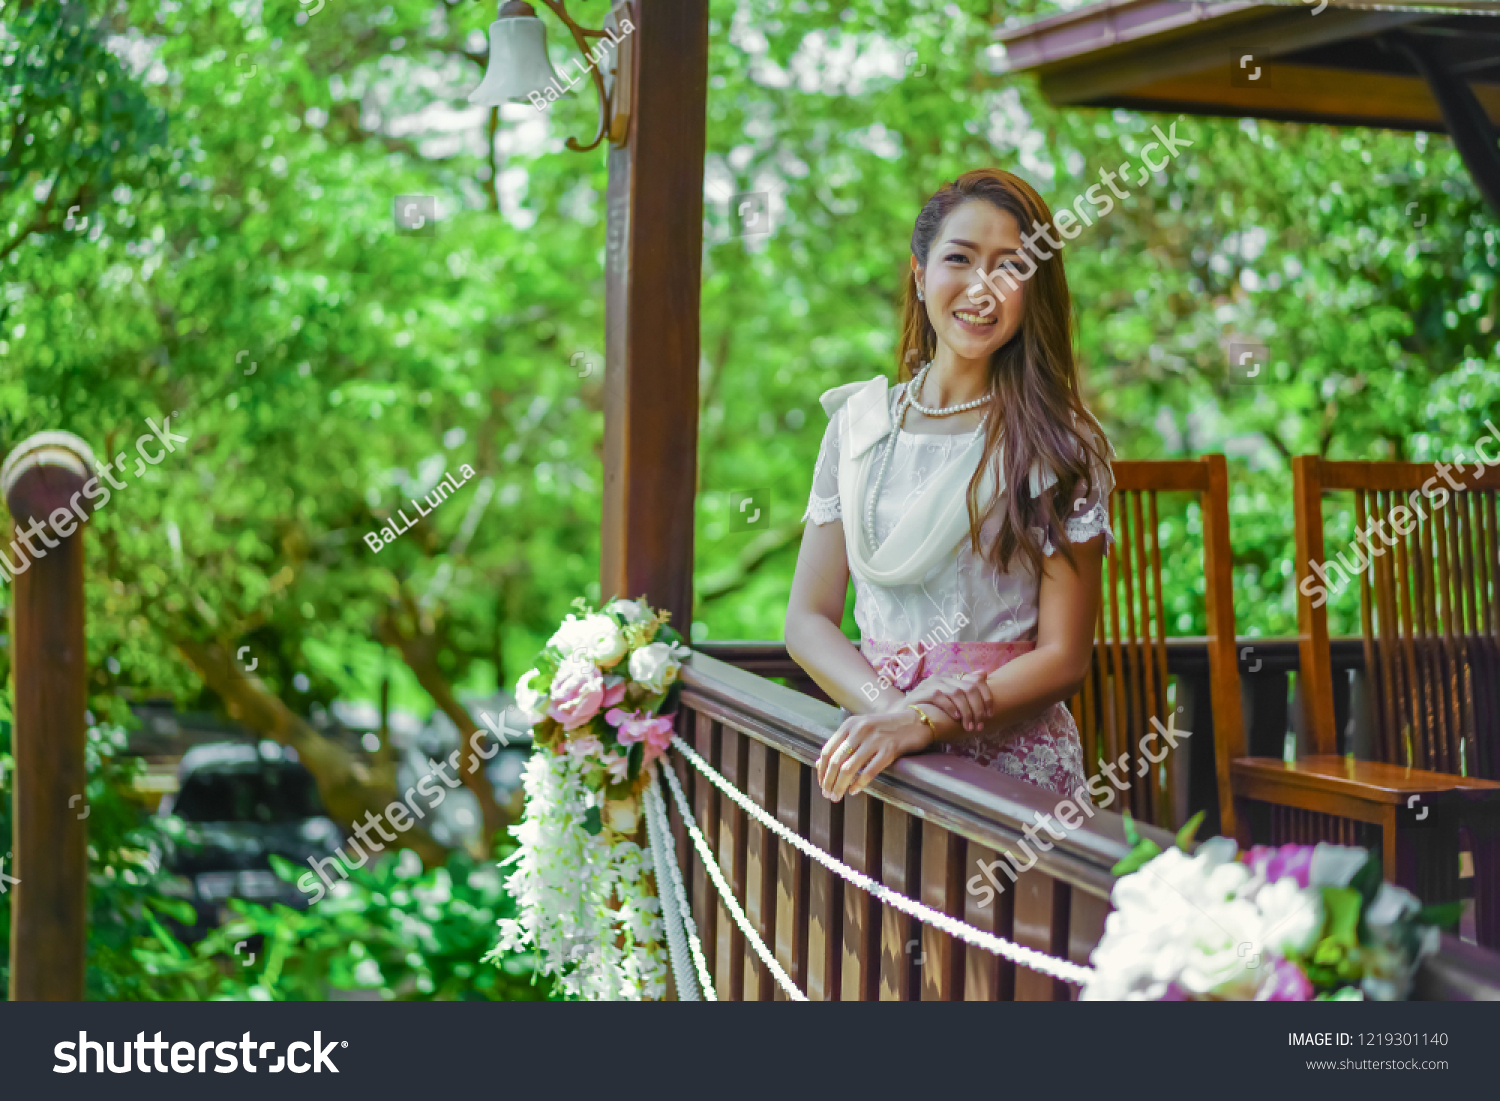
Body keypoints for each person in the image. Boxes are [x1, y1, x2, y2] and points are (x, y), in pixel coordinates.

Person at [785, 169, 1115, 804]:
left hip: (1011, 775)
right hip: (880, 759)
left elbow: (1064, 656)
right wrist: (895, 715)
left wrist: (921, 721)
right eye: (959, 259)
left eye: (1010, 266)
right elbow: (807, 619)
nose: (981, 288)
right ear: (919, 272)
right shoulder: (857, 430)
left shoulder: (1061, 444)